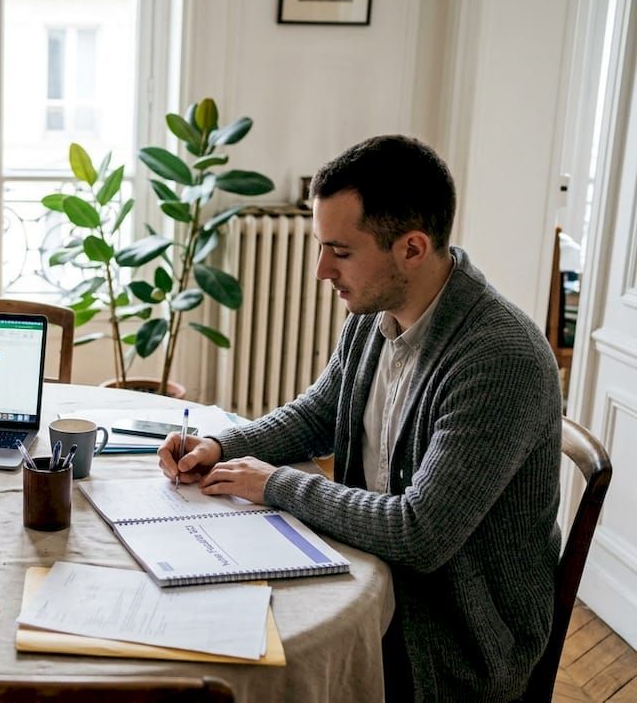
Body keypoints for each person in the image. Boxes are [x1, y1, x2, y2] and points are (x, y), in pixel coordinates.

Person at [159, 135, 561, 701]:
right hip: (370, 571)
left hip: (451, 638)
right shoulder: (378, 313)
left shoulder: (499, 359)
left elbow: (419, 534)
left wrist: (276, 484)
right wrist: (222, 446)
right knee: (202, 613)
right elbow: (318, 413)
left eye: (340, 251)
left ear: (413, 249)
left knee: (245, 661)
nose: (322, 269)